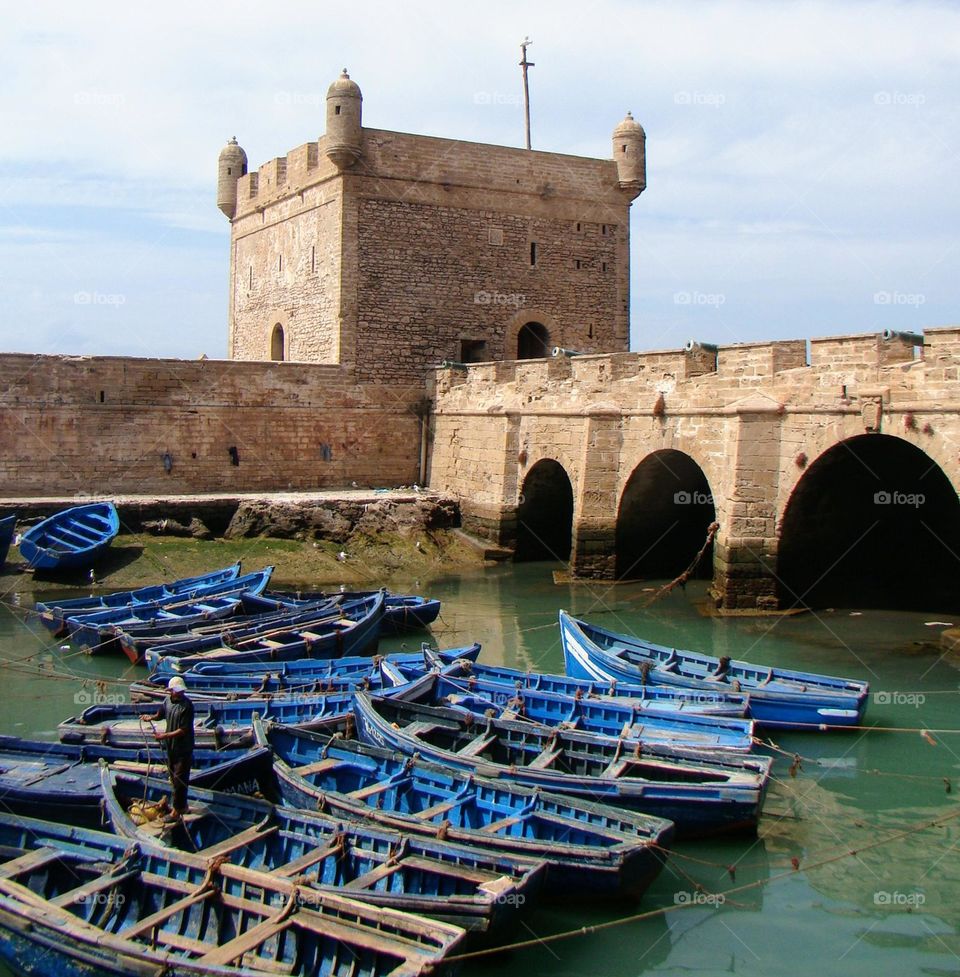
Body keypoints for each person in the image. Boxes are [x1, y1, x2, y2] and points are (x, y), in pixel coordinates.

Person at [149, 676, 195, 822]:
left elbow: (183, 730)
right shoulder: (167, 701)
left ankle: (176, 811)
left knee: (179, 778)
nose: (180, 693)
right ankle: (183, 806)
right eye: (177, 690)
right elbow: (160, 714)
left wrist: (164, 736)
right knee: (174, 778)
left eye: (181, 690)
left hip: (184, 748)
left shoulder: (187, 706)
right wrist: (150, 718)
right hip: (171, 747)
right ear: (171, 691)